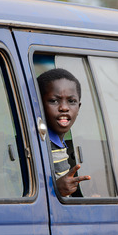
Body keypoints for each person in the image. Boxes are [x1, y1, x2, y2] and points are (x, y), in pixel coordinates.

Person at [37, 68, 91, 197]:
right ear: (38, 105)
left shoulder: (59, 144)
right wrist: (55, 191)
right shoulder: (38, 144)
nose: (64, 108)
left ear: (79, 107)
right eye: (54, 101)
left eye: (71, 101)